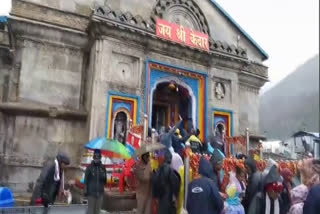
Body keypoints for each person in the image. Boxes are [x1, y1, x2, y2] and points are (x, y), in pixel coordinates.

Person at [151, 149, 180, 214]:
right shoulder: (171, 171)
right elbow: (176, 184)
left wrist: (155, 199)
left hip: (160, 202)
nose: (157, 158)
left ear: (163, 158)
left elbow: (153, 186)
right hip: (169, 202)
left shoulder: (156, 171)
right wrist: (176, 198)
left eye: (158, 156)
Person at [84, 149, 107, 214]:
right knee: (91, 211)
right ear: (93, 157)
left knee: (97, 211)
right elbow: (86, 180)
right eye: (95, 157)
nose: (97, 159)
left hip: (100, 193)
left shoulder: (103, 168)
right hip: (91, 193)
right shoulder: (89, 167)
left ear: (100, 158)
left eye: (98, 157)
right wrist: (85, 190)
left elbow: (105, 181)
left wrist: (103, 175)